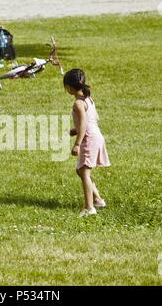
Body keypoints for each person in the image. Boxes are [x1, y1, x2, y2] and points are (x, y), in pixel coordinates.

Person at [64, 69, 111, 218]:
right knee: (81, 170)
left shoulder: (78, 103)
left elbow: (84, 124)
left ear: (70, 88)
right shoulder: (88, 99)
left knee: (84, 172)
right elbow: (89, 121)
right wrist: (75, 130)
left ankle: (89, 207)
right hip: (95, 136)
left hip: (89, 139)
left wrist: (77, 144)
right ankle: (97, 200)